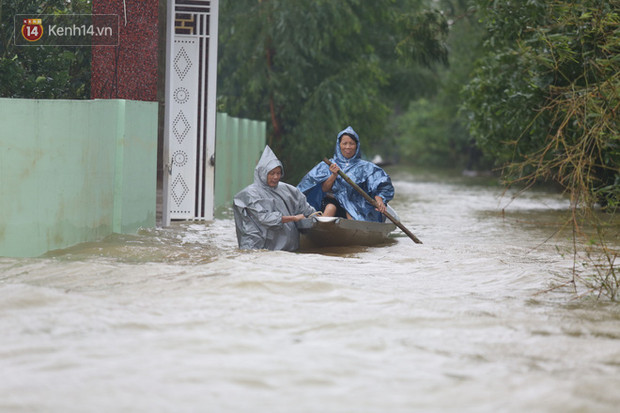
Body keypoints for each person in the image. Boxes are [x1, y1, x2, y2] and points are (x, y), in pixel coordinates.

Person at [297, 126, 394, 222]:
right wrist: (333, 175)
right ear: (339, 145)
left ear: (357, 146)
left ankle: (355, 234)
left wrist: (380, 199)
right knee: (330, 208)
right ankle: (322, 230)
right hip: (332, 202)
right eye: (344, 143)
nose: (348, 147)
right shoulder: (328, 165)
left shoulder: (367, 167)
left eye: (351, 143)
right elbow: (323, 189)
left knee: (353, 215)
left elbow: (381, 185)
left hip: (356, 204)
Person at [233, 145, 317, 251]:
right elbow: (264, 218)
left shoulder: (289, 190)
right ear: (263, 173)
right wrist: (293, 218)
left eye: (278, 173)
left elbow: (307, 210)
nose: (276, 177)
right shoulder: (250, 194)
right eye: (272, 173)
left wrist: (319, 219)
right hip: (256, 249)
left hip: (288, 250)